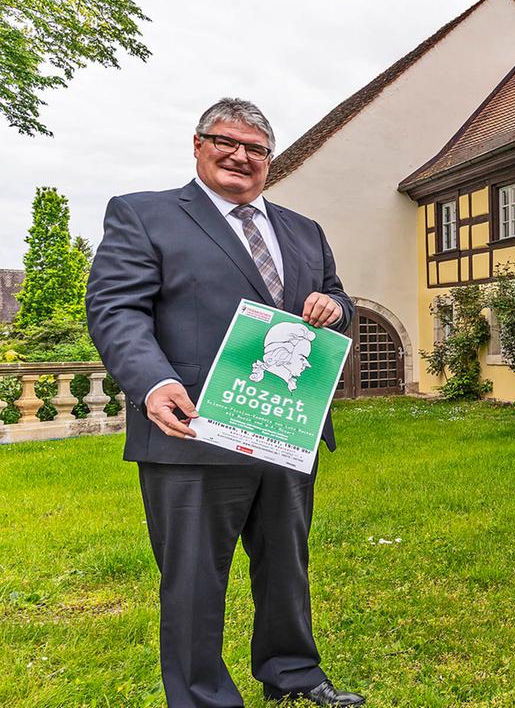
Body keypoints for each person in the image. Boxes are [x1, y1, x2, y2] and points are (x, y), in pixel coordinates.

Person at [85, 98, 364, 707]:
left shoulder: (303, 230)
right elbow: (116, 309)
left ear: (270, 159)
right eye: (225, 141)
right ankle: (202, 696)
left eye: (256, 149)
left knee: (286, 568)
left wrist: (333, 308)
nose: (241, 156)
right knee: (192, 581)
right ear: (197, 143)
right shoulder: (144, 215)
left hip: (284, 430)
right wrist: (153, 382)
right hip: (193, 432)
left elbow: (341, 300)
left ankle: (291, 676)